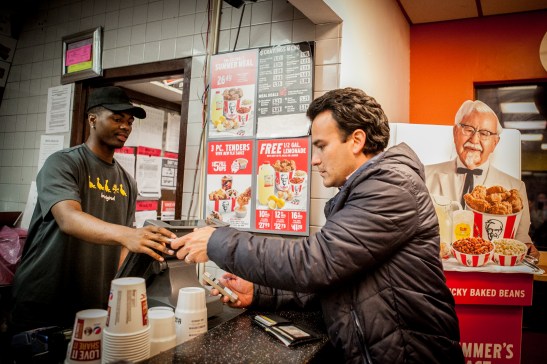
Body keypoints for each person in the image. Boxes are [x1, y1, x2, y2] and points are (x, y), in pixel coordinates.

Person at [172, 88, 464, 363]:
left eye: (322, 146)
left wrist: (217, 241)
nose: (314, 160)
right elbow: (336, 277)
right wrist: (260, 293)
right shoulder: (365, 189)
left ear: (357, 140)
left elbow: (315, 263)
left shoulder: (391, 187)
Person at [10, 87, 176, 333]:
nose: (125, 127)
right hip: (43, 300)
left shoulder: (127, 181)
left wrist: (120, 290)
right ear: (92, 119)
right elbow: (68, 218)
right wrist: (128, 235)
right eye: (117, 119)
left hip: (93, 304)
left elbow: (122, 246)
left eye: (129, 122)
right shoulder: (64, 162)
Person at [425, 100, 539, 258]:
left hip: (488, 279)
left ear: (495, 143)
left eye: (484, 133)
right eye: (468, 129)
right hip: (436, 274)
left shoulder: (516, 188)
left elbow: (520, 239)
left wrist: (527, 247)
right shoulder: (424, 176)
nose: (474, 139)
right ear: (455, 132)